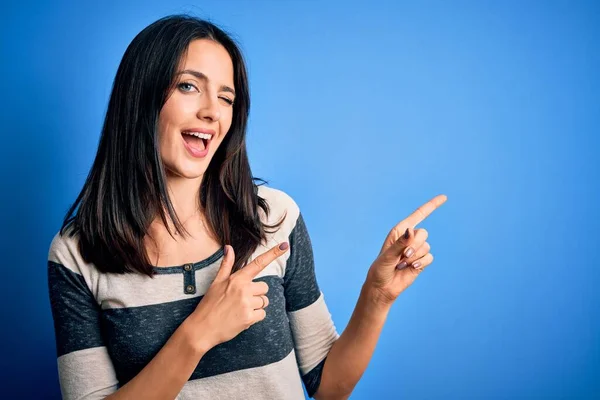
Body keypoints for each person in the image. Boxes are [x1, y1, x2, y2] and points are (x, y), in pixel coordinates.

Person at [47, 14, 447, 400]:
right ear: (140, 96)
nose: (212, 111)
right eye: (189, 86)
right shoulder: (75, 255)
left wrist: (376, 296)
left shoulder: (274, 219)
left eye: (226, 97)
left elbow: (329, 386)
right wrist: (198, 333)